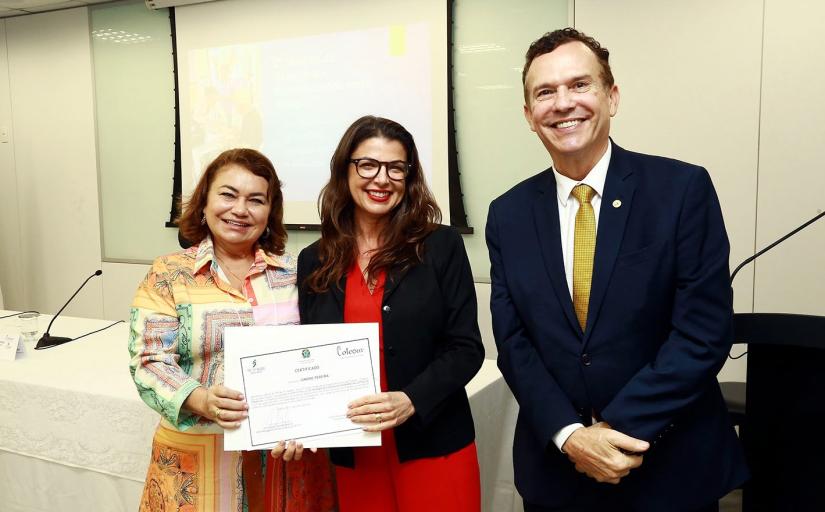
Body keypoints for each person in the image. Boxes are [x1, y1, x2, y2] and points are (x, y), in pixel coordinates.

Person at [486, 28, 749, 512]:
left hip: (669, 469)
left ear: (612, 96)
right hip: (557, 475)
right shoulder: (507, 214)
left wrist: (611, 432)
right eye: (545, 92)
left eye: (579, 85)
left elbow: (702, 332)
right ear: (528, 116)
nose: (563, 103)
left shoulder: (681, 190)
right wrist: (570, 436)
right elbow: (514, 341)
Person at [129, 148, 336, 512]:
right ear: (204, 202)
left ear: (270, 213)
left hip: (284, 462)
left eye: (256, 200)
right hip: (197, 469)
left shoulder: (297, 273)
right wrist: (202, 399)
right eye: (228, 195)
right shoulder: (168, 273)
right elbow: (149, 362)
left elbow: (318, 355)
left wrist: (311, 417)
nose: (240, 210)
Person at [297, 115, 484, 512]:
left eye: (396, 168)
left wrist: (411, 399)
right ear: (345, 169)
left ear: (409, 176)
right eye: (368, 164)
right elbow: (306, 355)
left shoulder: (441, 245)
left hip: (432, 442)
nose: (381, 179)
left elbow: (466, 348)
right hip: (355, 450)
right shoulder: (314, 260)